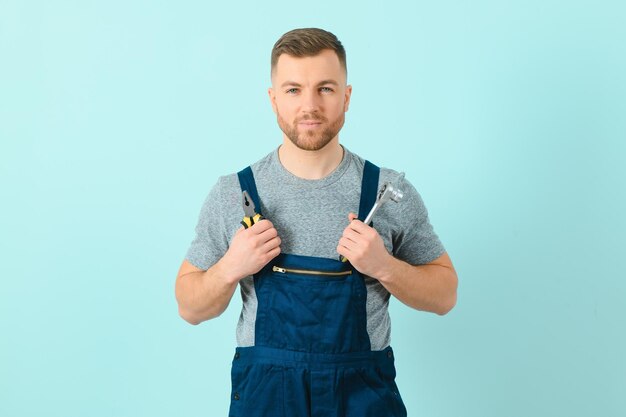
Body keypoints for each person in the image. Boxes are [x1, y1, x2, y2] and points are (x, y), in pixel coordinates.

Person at [175, 27, 458, 417]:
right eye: (293, 90)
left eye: (325, 88)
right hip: (267, 399)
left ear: (347, 97)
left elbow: (445, 296)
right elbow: (189, 308)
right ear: (273, 99)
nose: (309, 105)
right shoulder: (232, 194)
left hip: (362, 399)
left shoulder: (387, 191)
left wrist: (385, 267)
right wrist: (229, 269)